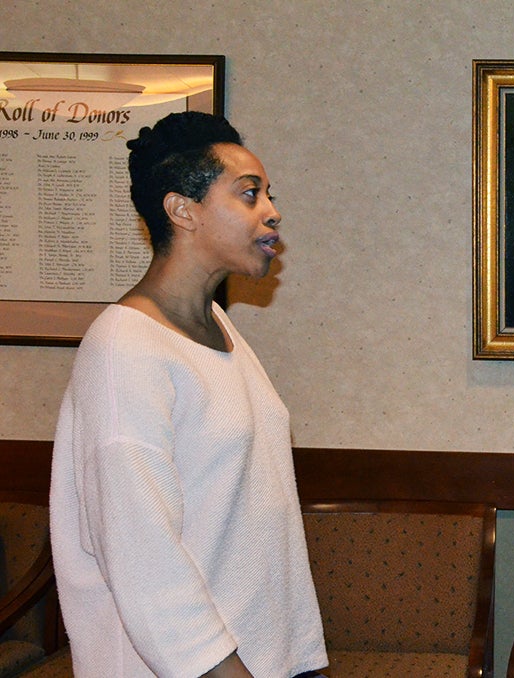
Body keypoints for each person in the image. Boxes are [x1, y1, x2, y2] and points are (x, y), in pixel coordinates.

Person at [49, 112, 328, 678]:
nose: (272, 211)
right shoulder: (123, 348)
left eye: (268, 195)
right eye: (249, 195)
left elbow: (259, 523)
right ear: (182, 210)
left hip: (265, 658)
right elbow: (141, 554)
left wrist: (303, 659)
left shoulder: (221, 327)